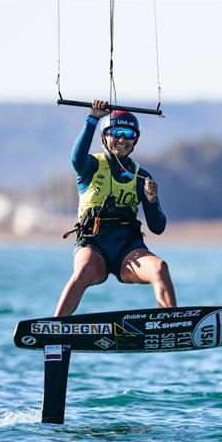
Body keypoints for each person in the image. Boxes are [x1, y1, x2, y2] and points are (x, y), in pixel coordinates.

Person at [54, 99, 177, 316]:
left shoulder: (142, 176)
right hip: (93, 245)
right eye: (116, 133)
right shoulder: (91, 165)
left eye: (129, 135)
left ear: (135, 140)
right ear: (104, 137)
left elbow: (158, 227)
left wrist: (151, 200)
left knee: (160, 268)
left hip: (128, 249)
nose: (122, 139)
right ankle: (55, 327)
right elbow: (76, 159)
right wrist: (92, 118)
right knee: (83, 271)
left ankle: (170, 322)